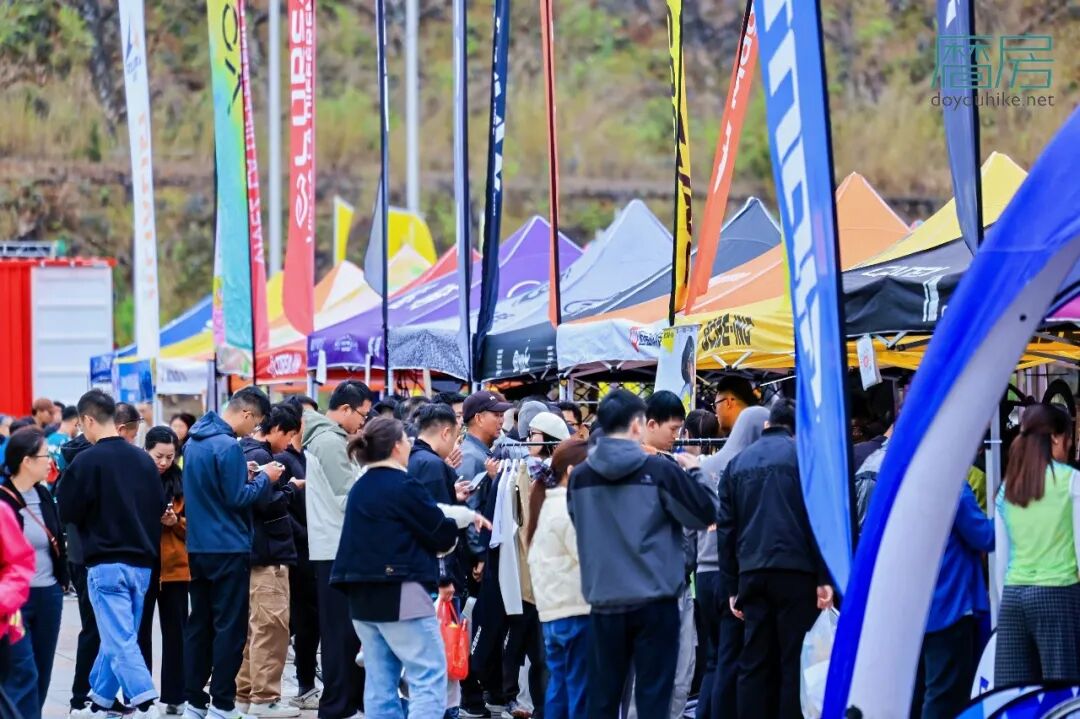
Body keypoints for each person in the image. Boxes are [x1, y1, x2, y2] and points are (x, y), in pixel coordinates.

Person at [568, 389, 717, 719]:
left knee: (603, 699)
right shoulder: (660, 472)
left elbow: (580, 524)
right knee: (653, 699)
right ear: (637, 425)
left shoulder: (579, 477)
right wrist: (695, 471)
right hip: (655, 600)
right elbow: (705, 513)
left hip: (604, 600)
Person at [332, 417, 487, 719]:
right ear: (395, 447)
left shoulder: (361, 486)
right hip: (400, 590)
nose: (410, 444)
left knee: (380, 680)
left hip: (360, 593)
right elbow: (439, 531)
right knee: (429, 674)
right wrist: (459, 525)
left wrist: (464, 516)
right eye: (405, 439)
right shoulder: (402, 484)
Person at [717, 399, 833, 719]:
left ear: (768, 424)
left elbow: (726, 530)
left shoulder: (737, 464)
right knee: (792, 661)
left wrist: (732, 586)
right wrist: (824, 578)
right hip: (797, 573)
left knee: (753, 662)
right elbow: (819, 522)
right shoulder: (806, 459)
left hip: (751, 573)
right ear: (795, 430)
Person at [58, 390, 166, 719]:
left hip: (105, 564)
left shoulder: (85, 462)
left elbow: (67, 512)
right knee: (117, 636)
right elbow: (158, 507)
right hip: (142, 564)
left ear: (89, 420)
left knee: (119, 640)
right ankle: (99, 702)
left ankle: (145, 702)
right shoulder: (143, 461)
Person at [181, 387, 275, 719]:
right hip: (228, 547)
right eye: (257, 422)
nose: (254, 430)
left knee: (200, 625)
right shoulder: (227, 445)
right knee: (230, 629)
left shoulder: (194, 442)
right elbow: (238, 498)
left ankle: (195, 701)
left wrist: (242, 475)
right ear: (247, 413)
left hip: (198, 546)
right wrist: (265, 479)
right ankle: (222, 703)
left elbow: (212, 489)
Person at [994, 403, 1080, 686]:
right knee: (1062, 693)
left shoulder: (1008, 487)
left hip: (1013, 597)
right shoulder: (1072, 481)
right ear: (1055, 437)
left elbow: (1001, 560)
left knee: (1014, 696)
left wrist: (1003, 603)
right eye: (1069, 437)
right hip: (1058, 594)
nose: (1070, 445)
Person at [303, 380, 372, 719]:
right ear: (345, 409)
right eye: (363, 414)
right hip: (336, 548)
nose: (364, 422)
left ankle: (346, 703)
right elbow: (348, 498)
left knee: (345, 632)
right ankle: (338, 706)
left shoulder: (329, 437)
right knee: (341, 634)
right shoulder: (329, 441)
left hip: (336, 547)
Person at [697, 407, 769, 719]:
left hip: (702, 573)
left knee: (713, 659)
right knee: (731, 658)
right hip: (731, 575)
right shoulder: (748, 469)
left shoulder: (706, 466)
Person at [237, 405, 304, 718]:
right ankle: (265, 698)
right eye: (288, 436)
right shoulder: (262, 457)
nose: (288, 444)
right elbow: (266, 503)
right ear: (276, 429)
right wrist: (290, 488)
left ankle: (244, 695)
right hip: (268, 555)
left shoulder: (243, 451)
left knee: (254, 630)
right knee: (271, 628)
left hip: (251, 554)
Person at [0, 428, 67, 719]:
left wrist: (62, 581)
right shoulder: (4, 501)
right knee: (22, 671)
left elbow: (57, 538)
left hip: (48, 593)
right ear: (26, 461)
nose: (49, 461)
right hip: (14, 600)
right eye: (44, 456)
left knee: (42, 671)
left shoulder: (43, 494)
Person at [640, 390, 697, 719]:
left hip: (678, 583)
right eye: (673, 429)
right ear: (650, 424)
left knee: (680, 671)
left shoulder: (671, 466)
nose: (677, 437)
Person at [913, 482, 992, 719]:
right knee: (945, 698)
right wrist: (1010, 512)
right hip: (951, 606)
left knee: (921, 695)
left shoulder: (906, 487)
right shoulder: (952, 486)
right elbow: (985, 536)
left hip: (917, 608)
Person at [457, 391, 511, 718]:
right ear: (479, 418)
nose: (502, 419)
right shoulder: (471, 457)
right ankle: (470, 695)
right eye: (496, 414)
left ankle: (483, 692)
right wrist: (478, 555)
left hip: (480, 556)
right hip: (473, 561)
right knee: (475, 627)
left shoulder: (483, 453)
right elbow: (470, 512)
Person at [527, 439, 590, 719]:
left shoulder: (545, 506)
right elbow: (588, 557)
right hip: (576, 611)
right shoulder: (568, 509)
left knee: (560, 688)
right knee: (579, 692)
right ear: (573, 471)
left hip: (552, 612)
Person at [137, 427, 190, 715]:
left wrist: (175, 522)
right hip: (141, 566)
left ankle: (176, 695)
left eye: (170, 457)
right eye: (158, 456)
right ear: (146, 450)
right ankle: (141, 696)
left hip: (175, 569)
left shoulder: (182, 482)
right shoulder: (134, 478)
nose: (164, 462)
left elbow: (195, 527)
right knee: (139, 632)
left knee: (176, 634)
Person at [274, 410, 319, 710]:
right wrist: (305, 535)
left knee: (309, 621)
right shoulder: (285, 460)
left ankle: (306, 684)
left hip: (314, 549)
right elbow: (280, 508)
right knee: (300, 620)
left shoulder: (311, 457)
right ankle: (303, 685)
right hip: (298, 551)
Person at [46, 405, 79, 485]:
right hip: (60, 486)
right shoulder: (69, 443)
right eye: (79, 424)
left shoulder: (48, 439)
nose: (79, 429)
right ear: (75, 421)